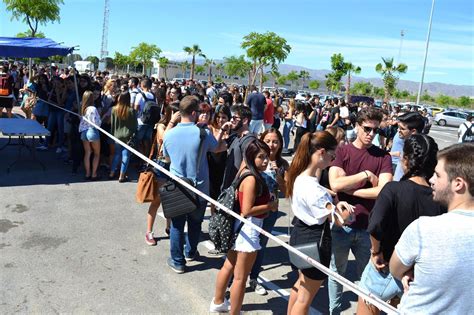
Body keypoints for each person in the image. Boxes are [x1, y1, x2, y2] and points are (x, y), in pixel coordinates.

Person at [357, 134, 444, 315]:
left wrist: (376, 251)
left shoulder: (393, 189)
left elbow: (375, 225)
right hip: (417, 276)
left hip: (385, 266)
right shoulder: (440, 199)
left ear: (405, 160)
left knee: (366, 308)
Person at [390, 143, 474, 314]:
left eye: (437, 175)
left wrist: (413, 271)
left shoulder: (424, 229)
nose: (431, 180)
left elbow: (395, 269)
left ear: (458, 184)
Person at [328, 107, 393, 314]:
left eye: (375, 130)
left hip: (369, 229)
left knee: (369, 277)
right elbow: (335, 184)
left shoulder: (383, 157)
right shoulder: (342, 151)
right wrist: (365, 175)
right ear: (356, 127)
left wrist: (351, 190)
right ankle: (334, 310)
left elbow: (383, 190)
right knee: (337, 272)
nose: (371, 134)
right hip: (342, 224)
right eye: (366, 128)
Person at [286, 132, 354, 315]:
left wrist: (333, 205)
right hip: (315, 240)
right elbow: (340, 220)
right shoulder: (314, 188)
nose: (333, 160)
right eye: (333, 156)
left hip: (299, 234)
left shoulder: (298, 177)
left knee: (300, 285)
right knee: (305, 299)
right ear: (321, 152)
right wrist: (347, 211)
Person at [210, 140, 277, 314]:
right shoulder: (252, 179)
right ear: (250, 157)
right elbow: (247, 210)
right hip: (248, 228)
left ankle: (218, 302)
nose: (265, 161)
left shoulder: (245, 170)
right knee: (240, 277)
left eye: (267, 157)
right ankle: (234, 311)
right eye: (261, 157)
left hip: (239, 228)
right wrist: (270, 206)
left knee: (229, 265)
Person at [162, 96, 219, 273]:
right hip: (199, 187)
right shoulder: (203, 133)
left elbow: (167, 158)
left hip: (177, 187)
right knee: (195, 224)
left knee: (177, 226)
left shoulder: (169, 134)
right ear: (194, 113)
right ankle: (191, 252)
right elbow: (216, 148)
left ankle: (178, 261)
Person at [248, 128, 289, 295]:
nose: (271, 145)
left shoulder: (283, 164)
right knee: (244, 244)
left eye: (275, 142)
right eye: (268, 141)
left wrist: (278, 175)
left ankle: (253, 278)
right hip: (250, 210)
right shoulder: (253, 158)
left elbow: (286, 192)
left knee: (261, 245)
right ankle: (234, 279)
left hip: (270, 212)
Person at [208, 105, 231, 215]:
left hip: (226, 165)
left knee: (225, 195)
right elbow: (214, 147)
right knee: (214, 195)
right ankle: (213, 219)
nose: (220, 120)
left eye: (224, 117)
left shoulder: (231, 131)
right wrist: (222, 131)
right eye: (218, 117)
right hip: (212, 164)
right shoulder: (211, 128)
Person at [109, 91, 137, 182]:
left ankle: (112, 173)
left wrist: (112, 135)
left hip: (116, 135)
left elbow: (112, 124)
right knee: (126, 155)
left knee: (117, 154)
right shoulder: (131, 111)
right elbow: (134, 126)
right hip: (128, 136)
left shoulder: (113, 109)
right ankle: (121, 175)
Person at [389, 112, 425, 180]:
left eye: (402, 129)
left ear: (413, 131)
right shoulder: (406, 142)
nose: (398, 130)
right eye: (398, 127)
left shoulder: (417, 151)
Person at [78, 90, 102, 180]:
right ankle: (94, 174)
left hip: (84, 132)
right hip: (92, 131)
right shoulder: (93, 108)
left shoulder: (83, 107)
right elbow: (96, 122)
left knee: (87, 153)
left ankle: (87, 173)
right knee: (96, 154)